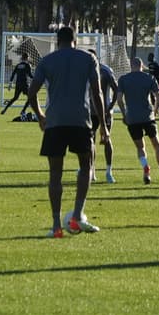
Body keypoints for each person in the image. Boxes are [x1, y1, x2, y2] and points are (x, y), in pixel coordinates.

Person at [25, 24, 110, 236]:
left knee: (55, 174)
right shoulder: (88, 59)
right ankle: (78, 215)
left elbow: (31, 92)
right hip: (81, 120)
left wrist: (40, 116)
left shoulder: (47, 61)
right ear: (76, 39)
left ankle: (55, 226)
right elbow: (97, 93)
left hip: (55, 121)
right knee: (86, 166)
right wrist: (104, 126)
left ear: (56, 40)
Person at [116, 55, 159, 184]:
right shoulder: (149, 78)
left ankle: (145, 166)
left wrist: (124, 114)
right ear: (142, 66)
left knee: (140, 147)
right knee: (157, 144)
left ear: (131, 66)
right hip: (147, 116)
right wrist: (155, 111)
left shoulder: (123, 79)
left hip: (133, 118)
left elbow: (119, 99)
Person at [92, 52, 120, 183]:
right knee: (89, 141)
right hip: (90, 112)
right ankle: (90, 170)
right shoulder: (83, 70)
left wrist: (110, 107)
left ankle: (109, 171)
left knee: (106, 140)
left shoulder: (105, 71)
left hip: (105, 111)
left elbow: (116, 89)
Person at [3, 52, 34, 116]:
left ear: (22, 58)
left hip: (18, 84)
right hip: (25, 84)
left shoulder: (18, 65)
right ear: (27, 58)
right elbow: (30, 75)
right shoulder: (27, 65)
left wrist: (10, 83)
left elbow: (13, 74)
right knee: (31, 98)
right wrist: (37, 78)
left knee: (15, 98)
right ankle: (23, 111)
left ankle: (5, 109)